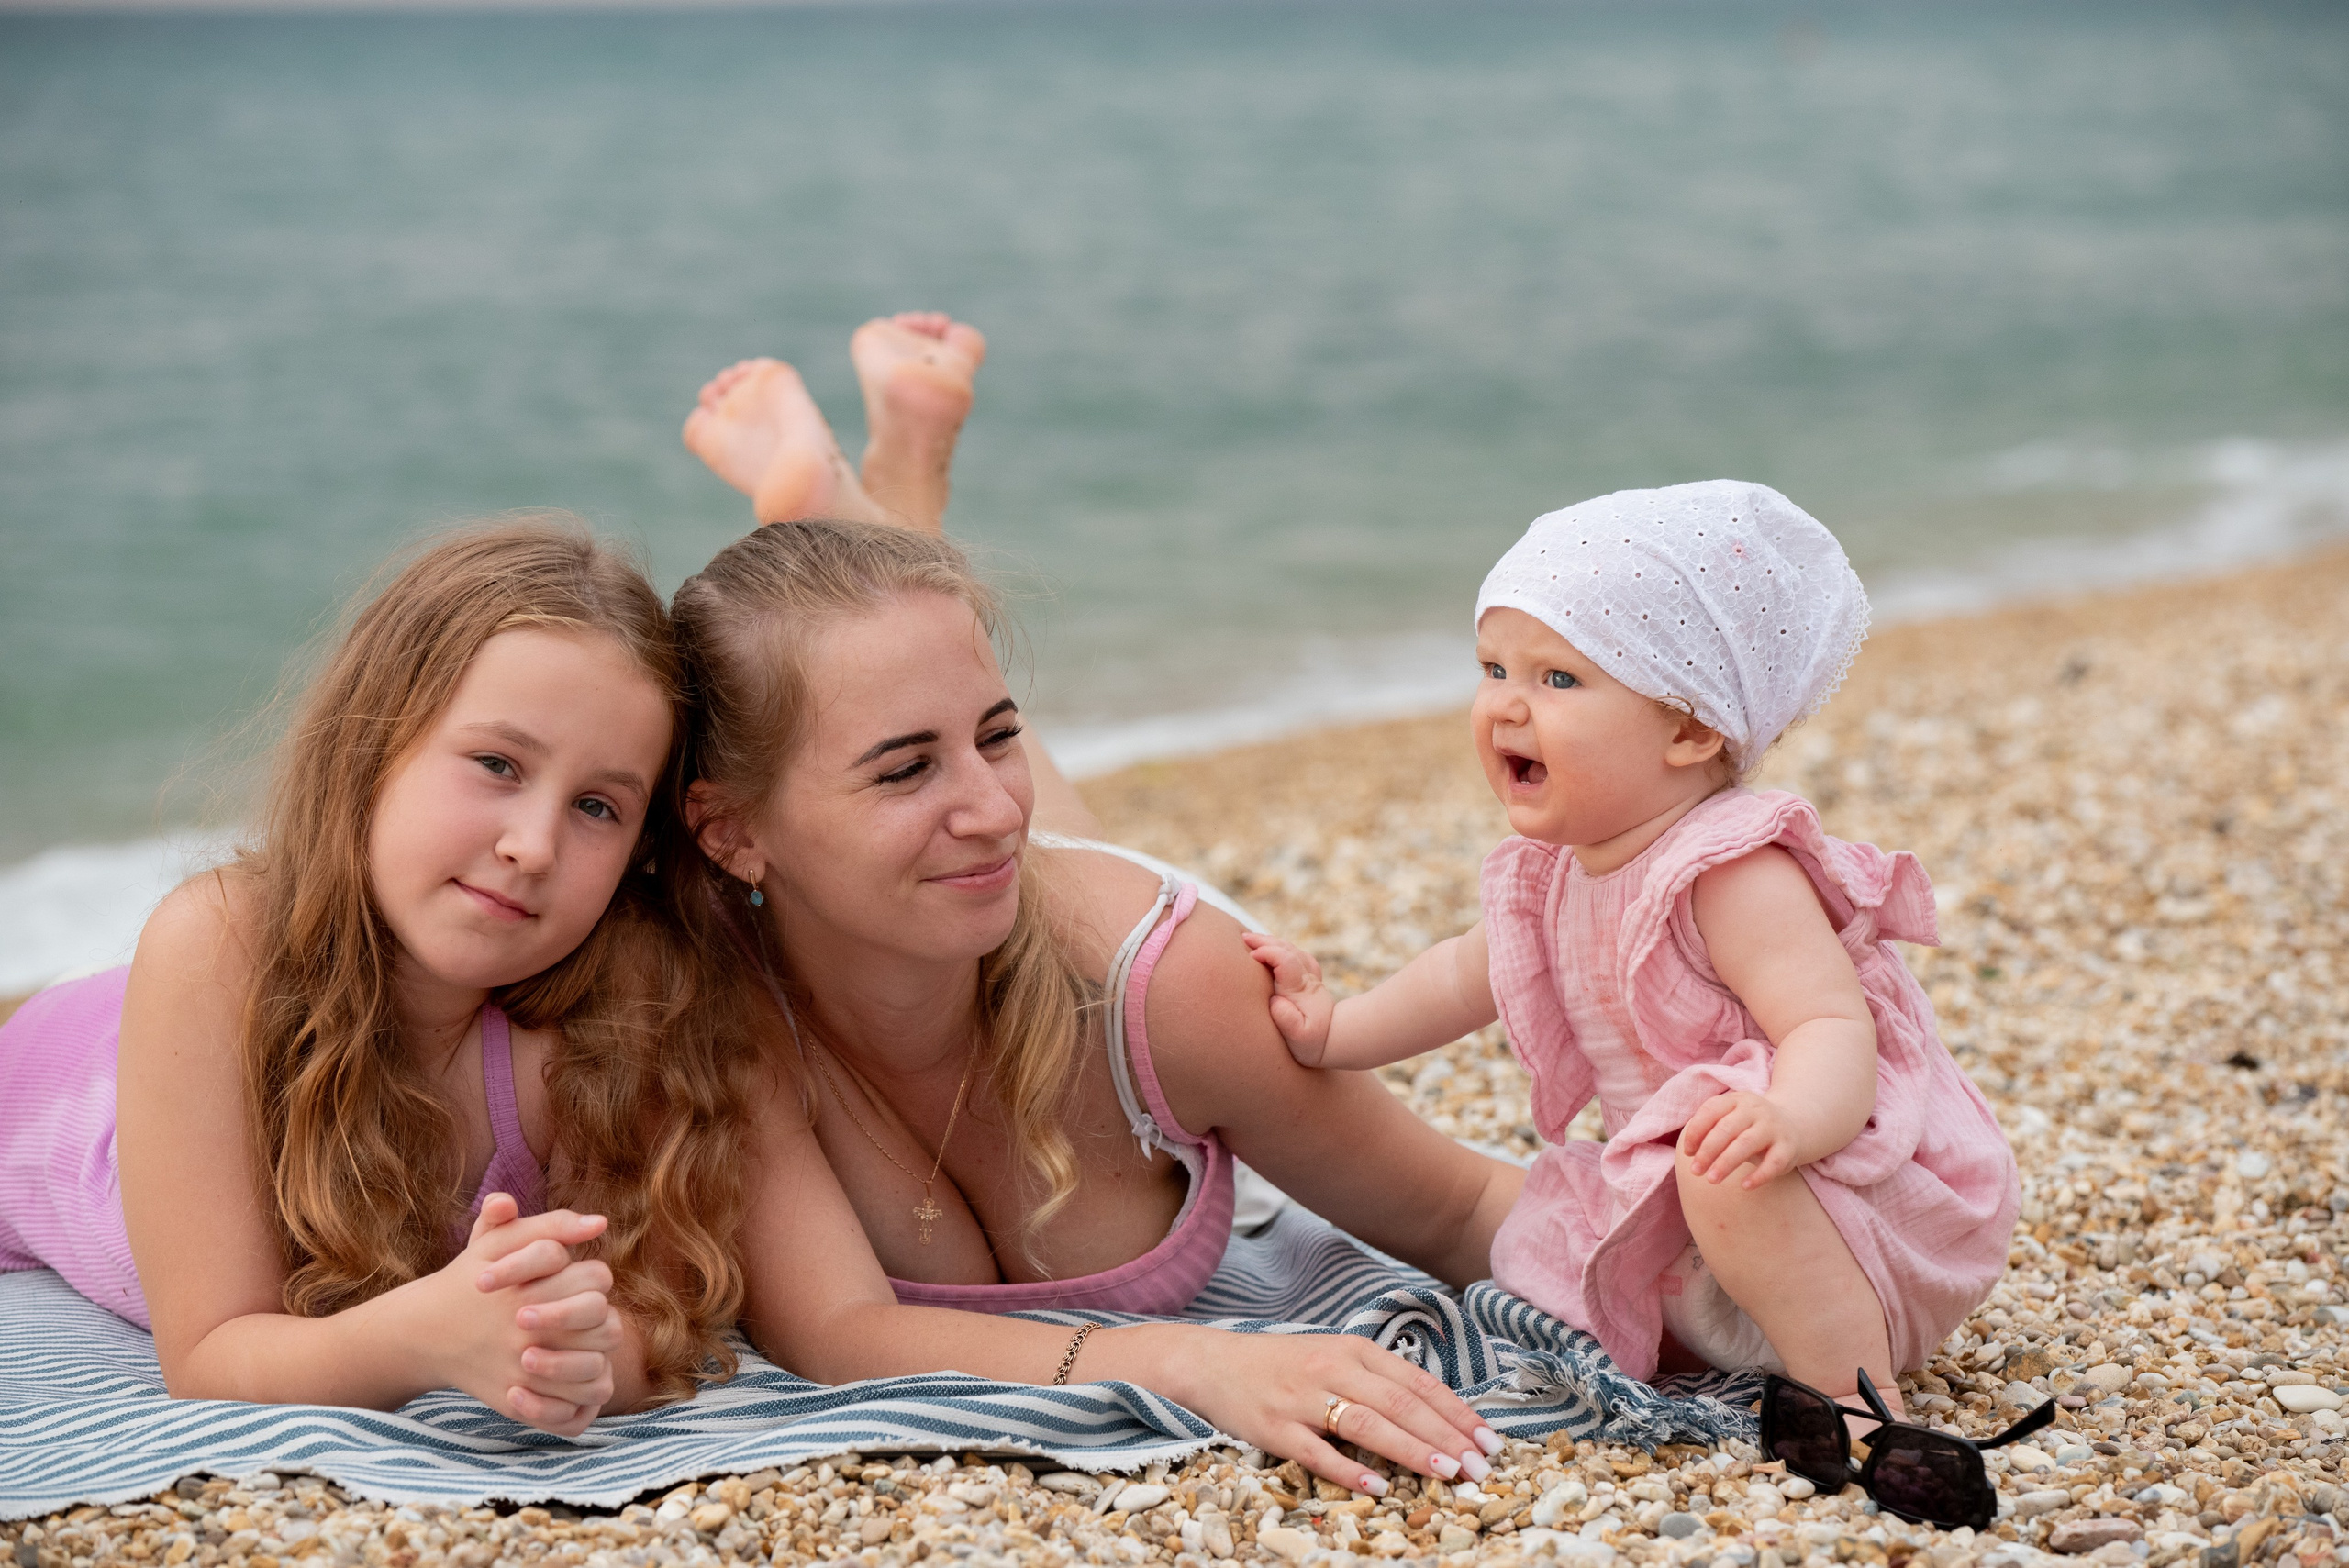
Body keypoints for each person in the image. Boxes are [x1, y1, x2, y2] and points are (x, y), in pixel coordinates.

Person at [673, 315, 1524, 1493]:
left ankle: (871, 510)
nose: (994, 805)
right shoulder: (718, 1007)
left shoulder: (1170, 984)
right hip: (969, 925)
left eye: (1001, 733)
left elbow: (1458, 1206)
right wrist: (1199, 1362)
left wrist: (1753, 1290)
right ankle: (877, 505)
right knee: (980, 797)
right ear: (728, 831)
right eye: (904, 767)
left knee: (1040, 846)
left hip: (1091, 959)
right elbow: (842, 1330)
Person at [1242, 481, 2021, 1416]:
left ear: (1689, 728)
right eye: (1493, 667)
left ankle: (1851, 1392)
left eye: (1557, 679)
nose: (1506, 706)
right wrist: (1334, 1030)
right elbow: (1457, 976)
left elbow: (1829, 1025)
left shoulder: (1729, 870)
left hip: (1843, 1210)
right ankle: (1722, 1336)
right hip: (1710, 1228)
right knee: (1555, 1244)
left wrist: (1789, 1118)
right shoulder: (1555, 876)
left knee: (1717, 1158)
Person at [0, 520, 759, 1436]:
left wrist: (571, 1353)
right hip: (63, 1079)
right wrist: (426, 1337)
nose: (532, 845)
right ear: (372, 744)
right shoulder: (214, 946)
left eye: (597, 805)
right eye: (497, 764)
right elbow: (209, 1359)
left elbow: (648, 1317)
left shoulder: (611, 1007)